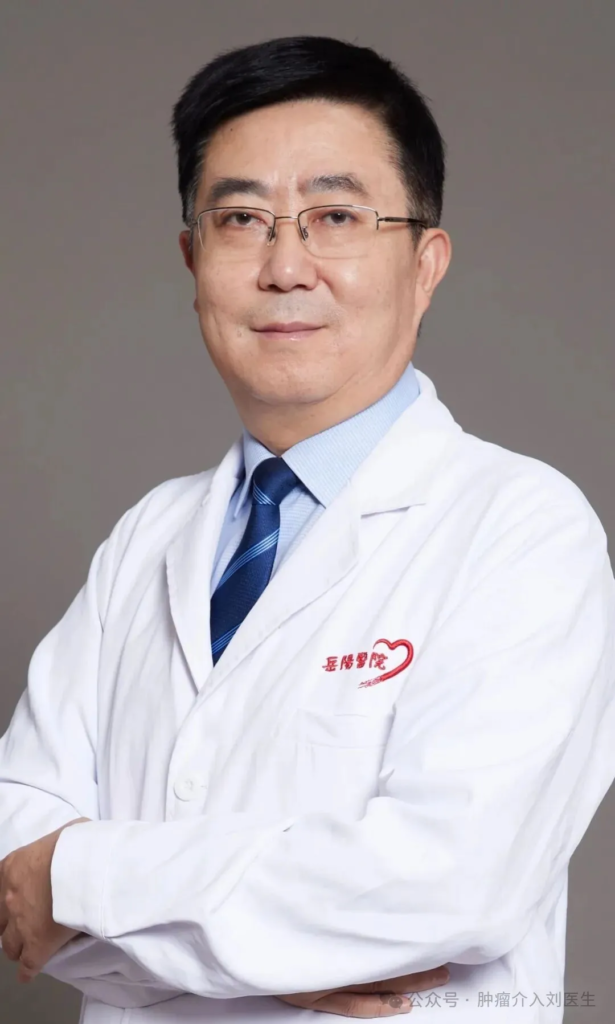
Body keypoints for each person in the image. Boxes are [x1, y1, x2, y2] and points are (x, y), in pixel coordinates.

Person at [0, 34, 614, 1024]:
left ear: (425, 264)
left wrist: (80, 881)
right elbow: (11, 859)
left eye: (335, 217)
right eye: (241, 219)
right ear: (193, 259)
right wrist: (270, 953)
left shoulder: (523, 529)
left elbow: (449, 886)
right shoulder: (146, 539)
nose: (286, 266)